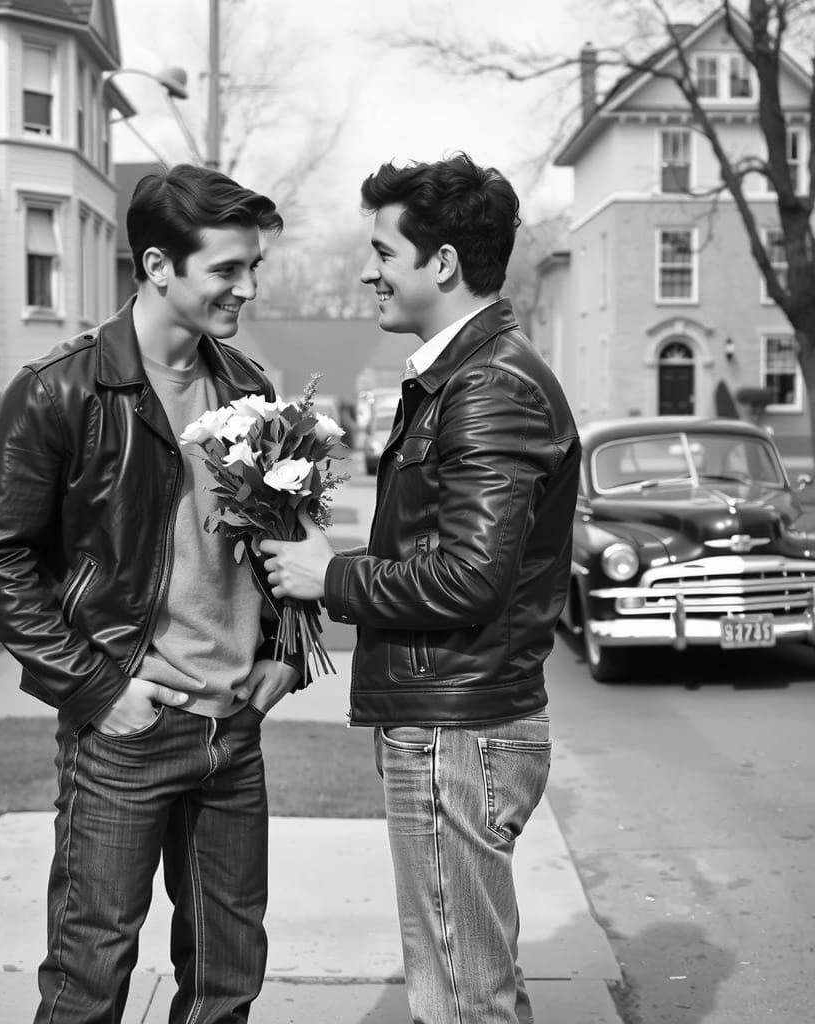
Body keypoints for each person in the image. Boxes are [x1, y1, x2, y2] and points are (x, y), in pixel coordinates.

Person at [0, 163, 303, 1024]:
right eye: (228, 269)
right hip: (128, 731)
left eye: (252, 267)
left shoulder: (249, 388)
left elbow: (277, 537)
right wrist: (100, 691)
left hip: (235, 732)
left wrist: (281, 654)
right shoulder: (61, 390)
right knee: (88, 985)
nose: (247, 287)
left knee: (227, 983)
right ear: (157, 267)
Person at [260, 153, 581, 1024]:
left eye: (383, 252)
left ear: (441, 263)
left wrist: (331, 577)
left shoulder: (488, 386)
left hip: (458, 729)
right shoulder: (462, 376)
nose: (368, 270)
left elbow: (472, 576)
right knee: (455, 981)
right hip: (452, 719)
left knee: (464, 997)